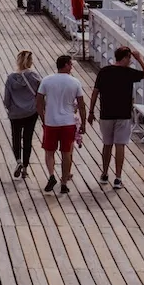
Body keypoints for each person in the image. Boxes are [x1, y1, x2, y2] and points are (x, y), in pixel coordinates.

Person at [88, 46, 144, 188]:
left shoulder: (104, 71)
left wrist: (91, 112)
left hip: (106, 114)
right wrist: (140, 59)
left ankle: (104, 174)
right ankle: (118, 178)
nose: (130, 61)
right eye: (129, 58)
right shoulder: (128, 73)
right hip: (123, 114)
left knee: (107, 144)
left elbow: (95, 92)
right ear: (125, 58)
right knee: (120, 145)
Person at [36, 54, 87, 194]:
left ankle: (52, 175)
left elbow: (39, 101)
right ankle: (64, 182)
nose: (72, 67)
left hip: (51, 122)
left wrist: (43, 117)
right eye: (70, 64)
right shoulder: (75, 82)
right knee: (66, 153)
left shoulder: (47, 80)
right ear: (65, 65)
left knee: (49, 152)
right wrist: (83, 123)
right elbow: (81, 105)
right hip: (68, 122)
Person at [2, 50, 42, 179]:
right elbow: (41, 94)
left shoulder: (11, 78)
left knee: (16, 137)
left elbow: (6, 99)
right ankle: (25, 167)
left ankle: (18, 161)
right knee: (28, 138)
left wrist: (10, 108)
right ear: (30, 62)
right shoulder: (35, 77)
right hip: (31, 112)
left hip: (15, 113)